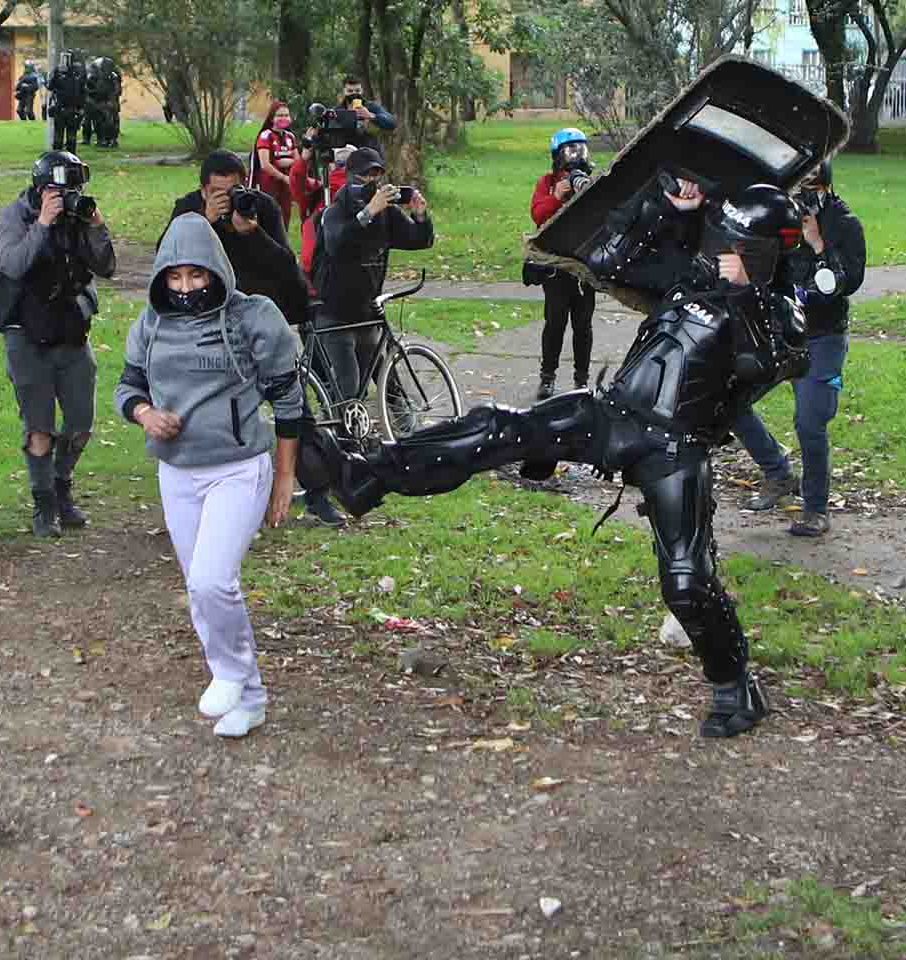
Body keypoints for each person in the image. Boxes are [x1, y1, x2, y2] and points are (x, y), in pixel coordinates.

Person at [311, 179, 811, 739]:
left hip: (675, 449)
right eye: (724, 243)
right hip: (613, 413)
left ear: (765, 252)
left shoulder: (779, 312)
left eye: (739, 247)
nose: (725, 254)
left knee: (687, 581)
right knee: (494, 427)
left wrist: (742, 290)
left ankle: (734, 687)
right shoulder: (691, 273)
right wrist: (665, 208)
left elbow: (768, 362)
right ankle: (367, 476)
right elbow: (609, 258)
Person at [115, 212, 303, 739]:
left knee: (212, 579)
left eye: (197, 275)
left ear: (217, 270)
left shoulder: (251, 317)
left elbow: (289, 399)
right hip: (177, 470)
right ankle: (251, 697)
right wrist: (145, 415)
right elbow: (127, 387)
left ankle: (229, 674)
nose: (186, 287)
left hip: (239, 467)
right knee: (201, 588)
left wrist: (285, 476)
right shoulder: (151, 324)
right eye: (175, 278)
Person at [165, 150, 344, 526]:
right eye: (219, 191)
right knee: (207, 414)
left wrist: (254, 232)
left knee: (295, 411)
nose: (229, 198)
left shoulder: (259, 206)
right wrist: (205, 223)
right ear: (203, 189)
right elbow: (168, 263)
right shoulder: (188, 211)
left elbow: (285, 264)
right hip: (211, 329)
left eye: (235, 188)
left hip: (261, 325)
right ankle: (208, 494)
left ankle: (317, 494)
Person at [732, 159, 864, 537]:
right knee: (732, 401)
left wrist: (818, 243)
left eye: (813, 188)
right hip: (783, 333)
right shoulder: (782, 219)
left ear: (827, 187)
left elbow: (846, 282)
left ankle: (816, 509)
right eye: (799, 188)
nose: (805, 198)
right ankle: (777, 471)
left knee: (810, 421)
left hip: (823, 336)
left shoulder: (845, 224)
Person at [0, 151, 116, 537]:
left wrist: (96, 227)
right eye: (61, 189)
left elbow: (107, 267)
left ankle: (62, 485)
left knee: (80, 424)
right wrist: (43, 224)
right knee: (39, 428)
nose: (69, 196)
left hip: (71, 331)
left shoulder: (77, 218)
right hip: (27, 334)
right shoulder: (16, 216)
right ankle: (44, 502)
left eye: (74, 189)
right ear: (40, 187)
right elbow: (12, 265)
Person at [312, 147, 432, 404]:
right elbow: (338, 245)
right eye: (366, 176)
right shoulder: (334, 211)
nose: (372, 182)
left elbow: (418, 240)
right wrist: (368, 212)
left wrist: (420, 214)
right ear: (351, 178)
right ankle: (343, 438)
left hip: (367, 311)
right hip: (334, 314)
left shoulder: (386, 213)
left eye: (377, 175)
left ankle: (405, 432)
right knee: (350, 387)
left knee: (379, 381)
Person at [529, 128, 598, 399]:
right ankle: (547, 378)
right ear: (557, 155)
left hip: (583, 268)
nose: (576, 156)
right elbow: (538, 215)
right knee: (554, 323)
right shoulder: (546, 183)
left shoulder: (593, 180)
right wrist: (557, 195)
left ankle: (581, 381)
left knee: (583, 326)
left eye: (580, 149)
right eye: (570, 151)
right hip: (555, 266)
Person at [254, 102, 300, 231]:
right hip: (269, 184)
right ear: (272, 118)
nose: (284, 118)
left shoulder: (290, 137)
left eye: (286, 115)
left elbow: (298, 161)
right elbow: (265, 164)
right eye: (280, 115)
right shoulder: (265, 135)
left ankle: (283, 247)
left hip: (286, 186)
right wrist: (283, 176)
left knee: (285, 217)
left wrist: (287, 162)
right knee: (269, 217)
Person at [47, 51, 86, 153]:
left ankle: (70, 158)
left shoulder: (77, 72)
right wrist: (56, 74)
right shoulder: (58, 71)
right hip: (61, 108)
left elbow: (82, 91)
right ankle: (57, 157)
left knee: (71, 138)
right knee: (59, 138)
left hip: (72, 109)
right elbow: (50, 86)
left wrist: (81, 108)